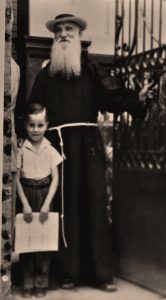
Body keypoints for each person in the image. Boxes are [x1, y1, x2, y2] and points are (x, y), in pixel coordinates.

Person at [28, 14, 153, 291]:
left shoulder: (92, 71)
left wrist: (137, 99)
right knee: (66, 209)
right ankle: (68, 273)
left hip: (90, 147)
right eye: (58, 30)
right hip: (58, 149)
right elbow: (32, 110)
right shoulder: (45, 76)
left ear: (79, 35)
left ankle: (101, 275)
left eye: (69, 29)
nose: (63, 34)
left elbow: (112, 98)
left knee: (95, 206)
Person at [16, 103, 63, 298]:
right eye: (31, 125)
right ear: (25, 126)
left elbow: (56, 179)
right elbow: (16, 179)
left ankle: (41, 282)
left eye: (40, 125)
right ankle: (27, 283)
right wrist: (25, 204)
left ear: (47, 125)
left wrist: (46, 204)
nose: (36, 130)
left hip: (45, 196)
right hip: (26, 195)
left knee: (43, 241)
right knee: (27, 240)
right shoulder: (20, 150)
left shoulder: (51, 150)